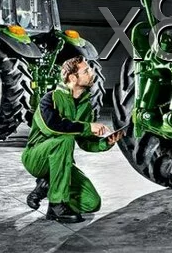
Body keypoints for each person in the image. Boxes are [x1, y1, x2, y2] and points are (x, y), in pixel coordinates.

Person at [21, 56, 124, 223]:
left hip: (60, 163)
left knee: (92, 202)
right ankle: (57, 203)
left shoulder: (85, 106)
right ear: (73, 78)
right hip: (36, 158)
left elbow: (85, 142)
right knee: (65, 139)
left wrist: (106, 142)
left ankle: (49, 190)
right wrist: (88, 127)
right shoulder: (50, 99)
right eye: (86, 71)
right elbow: (52, 126)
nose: (92, 73)